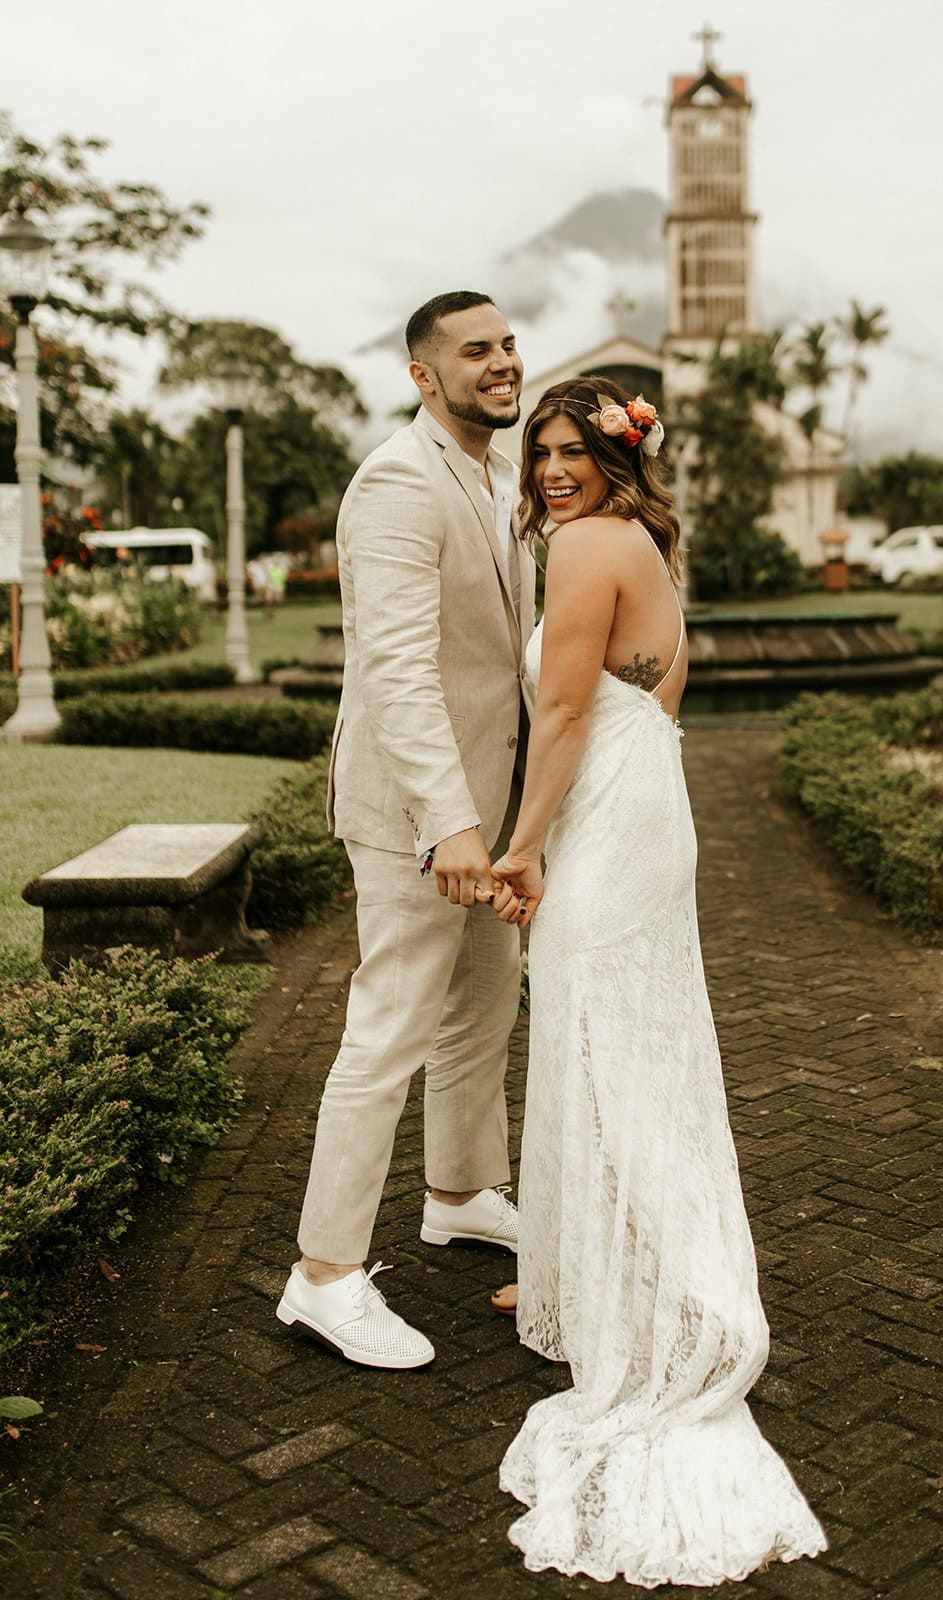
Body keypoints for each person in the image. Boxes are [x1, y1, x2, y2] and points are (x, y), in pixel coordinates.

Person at [485, 378, 827, 1585]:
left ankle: (669, 1296)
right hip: (643, 812)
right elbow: (631, 707)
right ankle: (587, 1267)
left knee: (603, 1051)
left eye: (574, 450)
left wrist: (523, 846)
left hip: (608, 825)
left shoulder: (587, 544)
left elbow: (565, 711)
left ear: (616, 457)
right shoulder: (643, 542)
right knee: (625, 1046)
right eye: (542, 450)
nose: (553, 469)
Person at [276, 291, 535, 1369]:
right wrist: (450, 824)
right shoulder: (394, 481)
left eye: (508, 343)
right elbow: (397, 671)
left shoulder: (498, 472)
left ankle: (460, 1192)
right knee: (388, 1031)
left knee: (483, 1004)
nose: (502, 362)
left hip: (489, 806)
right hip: (416, 817)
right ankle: (323, 1276)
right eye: (476, 351)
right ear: (424, 377)